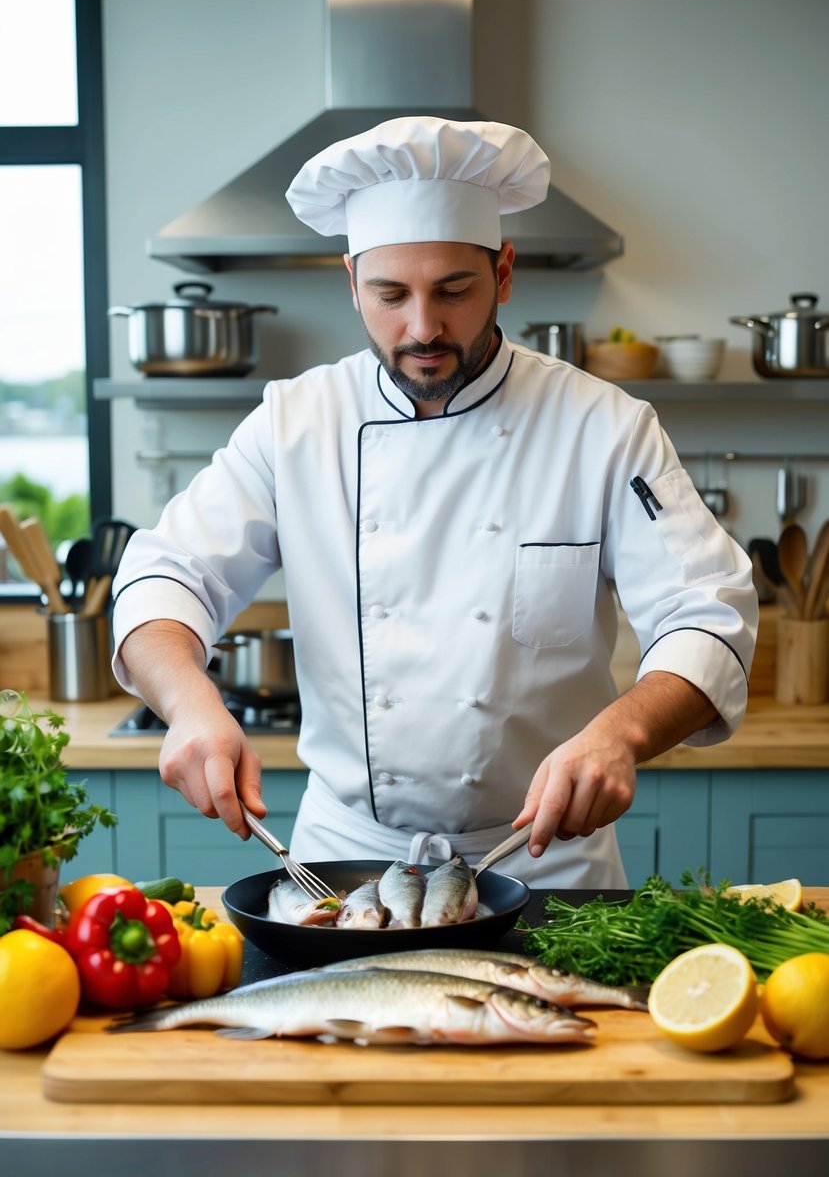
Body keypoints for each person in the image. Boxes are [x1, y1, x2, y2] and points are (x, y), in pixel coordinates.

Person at [111, 116, 758, 889]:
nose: (423, 328)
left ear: (505, 273)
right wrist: (188, 703)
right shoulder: (296, 423)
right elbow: (166, 572)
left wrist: (622, 732)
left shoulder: (602, 427)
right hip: (342, 867)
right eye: (390, 295)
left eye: (454, 291)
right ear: (350, 282)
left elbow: (706, 610)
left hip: (542, 860)